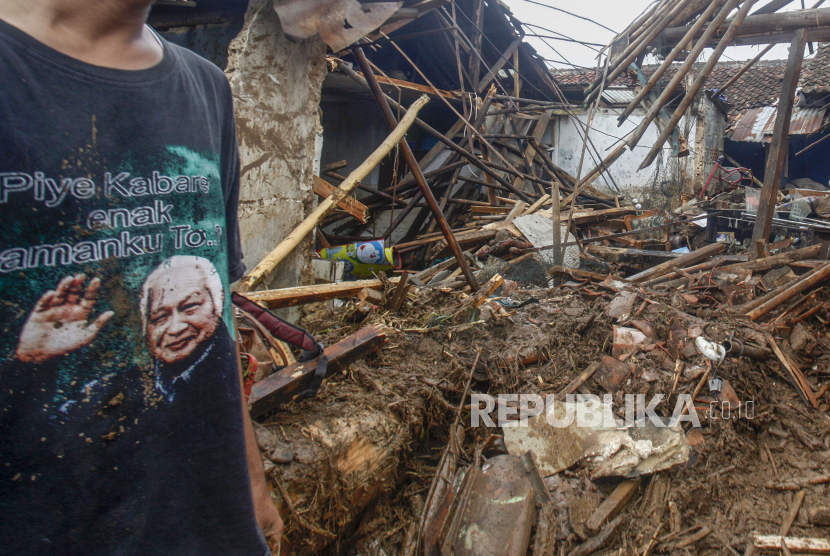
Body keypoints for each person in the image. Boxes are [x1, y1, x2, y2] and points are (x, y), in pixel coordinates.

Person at [0, 1, 283, 554]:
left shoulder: (206, 90)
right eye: (161, 314)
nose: (176, 325)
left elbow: (223, 326)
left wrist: (249, 484)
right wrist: (29, 358)